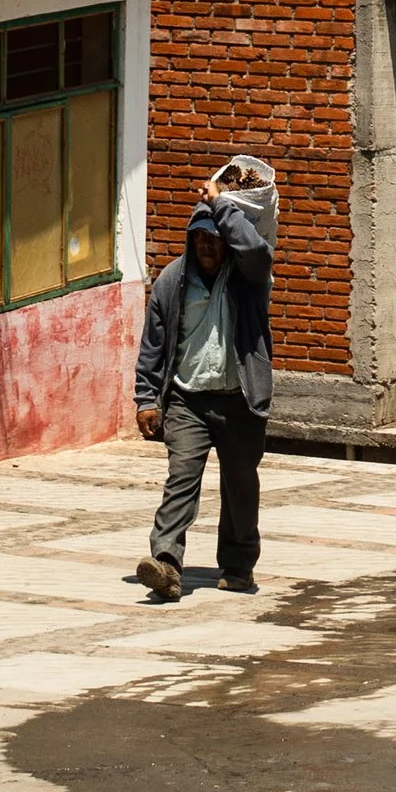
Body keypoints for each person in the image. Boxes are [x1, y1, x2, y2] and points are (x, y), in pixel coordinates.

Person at [133, 182, 273, 601]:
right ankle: (166, 564)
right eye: (198, 239)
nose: (205, 246)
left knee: (240, 486)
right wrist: (145, 398)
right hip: (187, 400)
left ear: (227, 241)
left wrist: (222, 205)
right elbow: (153, 346)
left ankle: (238, 565)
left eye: (213, 239)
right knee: (181, 479)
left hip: (240, 400)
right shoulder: (172, 281)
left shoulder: (249, 278)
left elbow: (258, 251)